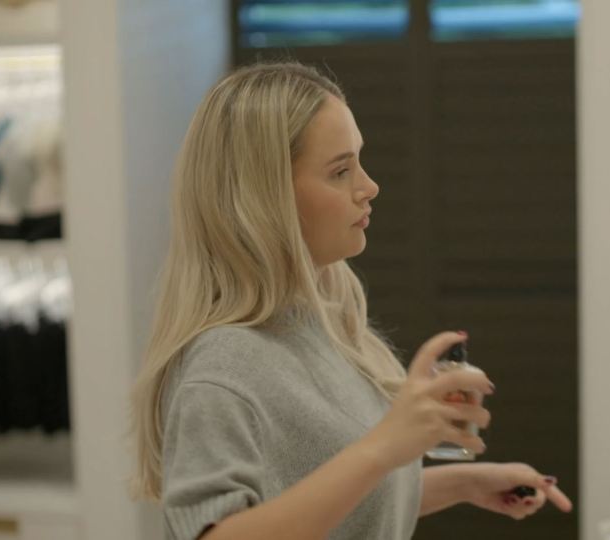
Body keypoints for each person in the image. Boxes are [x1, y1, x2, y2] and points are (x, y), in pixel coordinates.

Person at [129, 61, 572, 540]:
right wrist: (384, 446)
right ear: (265, 196)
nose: (369, 187)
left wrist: (463, 483)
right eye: (340, 170)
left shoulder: (311, 328)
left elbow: (320, 504)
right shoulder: (222, 370)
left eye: (359, 162)